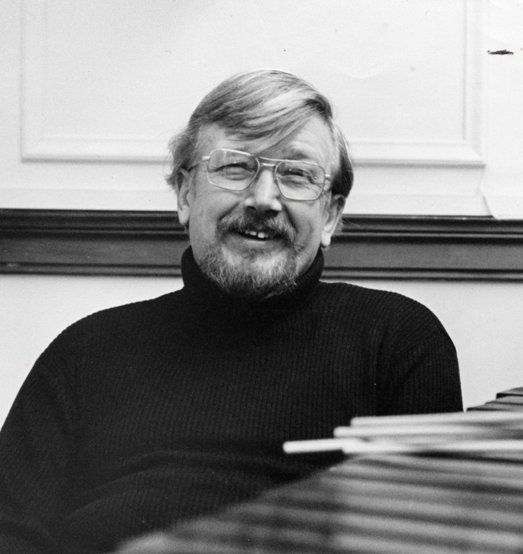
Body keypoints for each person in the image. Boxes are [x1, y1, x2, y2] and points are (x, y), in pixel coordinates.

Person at [0, 69, 462, 554]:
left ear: (330, 215)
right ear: (185, 194)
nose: (263, 200)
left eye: (296, 174)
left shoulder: (398, 340)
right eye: (236, 167)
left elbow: (420, 541)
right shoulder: (86, 350)